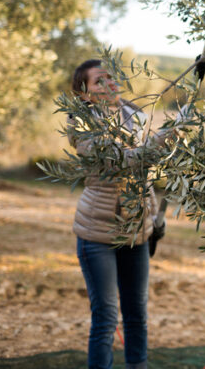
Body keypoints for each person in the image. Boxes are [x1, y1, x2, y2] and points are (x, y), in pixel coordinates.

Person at [68, 59, 182, 369]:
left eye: (110, 77)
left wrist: (156, 219)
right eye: (98, 81)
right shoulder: (81, 126)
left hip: (137, 232)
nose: (109, 83)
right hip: (98, 234)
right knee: (106, 317)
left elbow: (147, 170)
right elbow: (124, 161)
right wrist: (168, 134)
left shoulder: (137, 116)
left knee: (137, 314)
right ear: (85, 95)